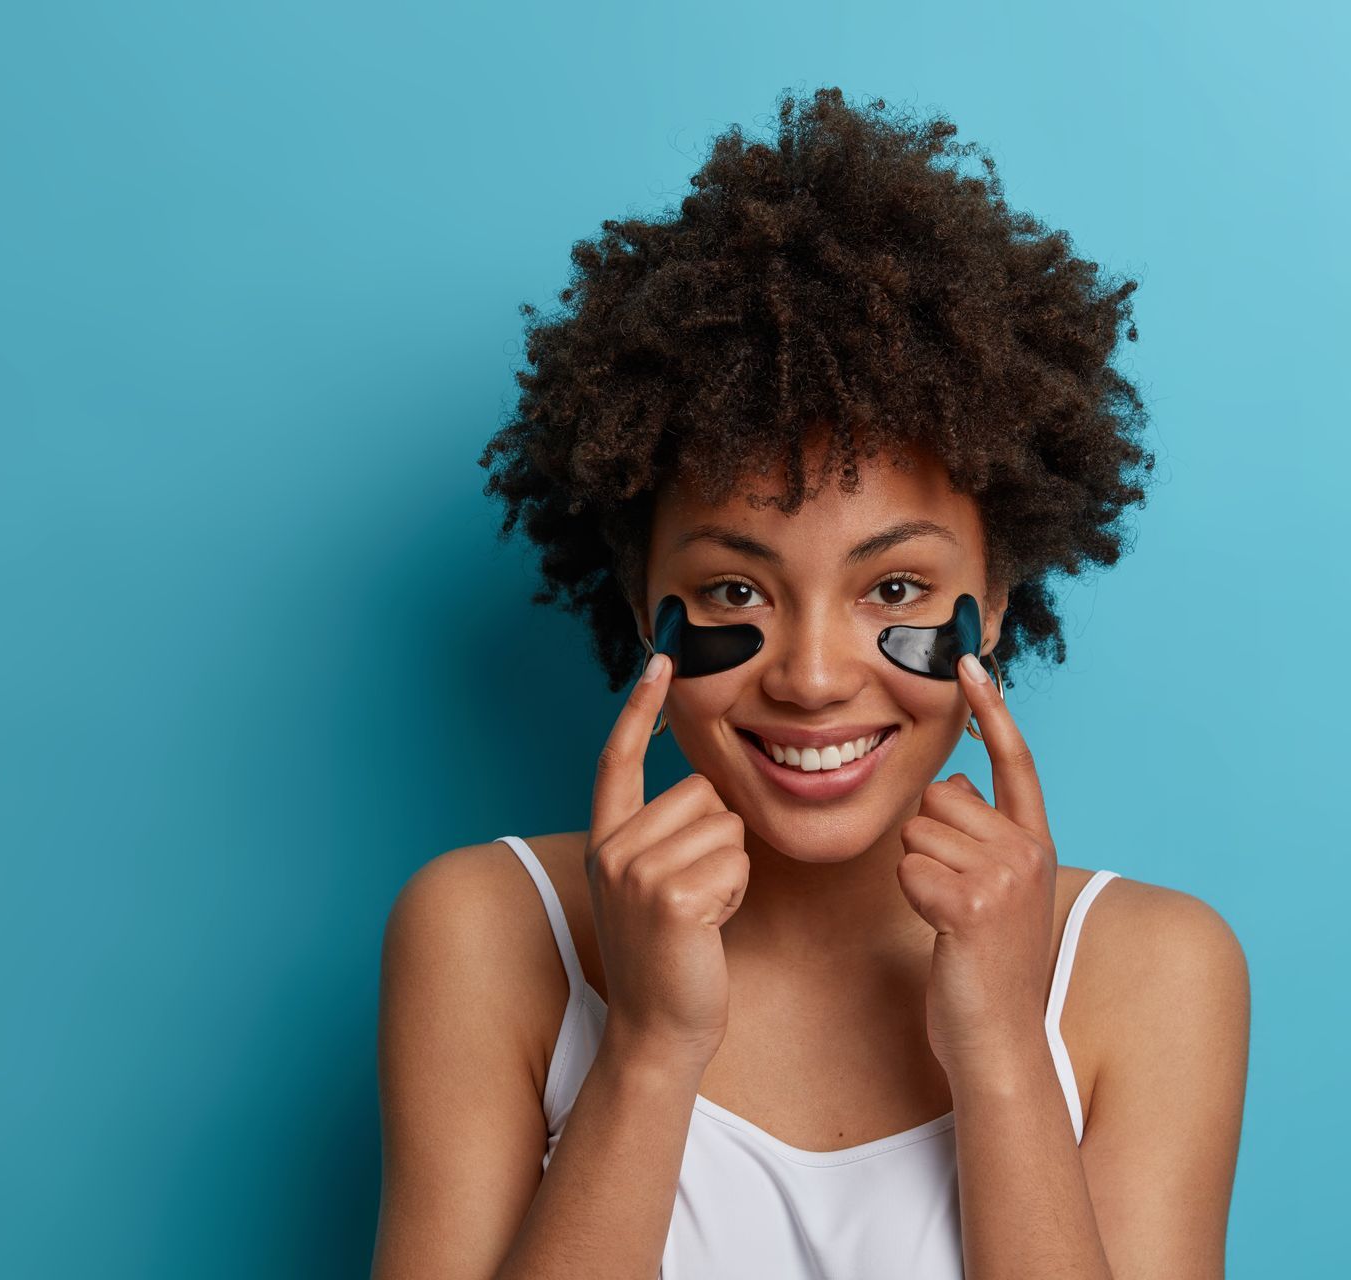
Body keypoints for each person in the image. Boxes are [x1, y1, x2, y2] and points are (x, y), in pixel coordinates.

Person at [371, 86, 1249, 1279]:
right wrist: (648, 1048)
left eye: (894, 590)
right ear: (647, 611)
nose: (816, 677)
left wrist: (998, 1050)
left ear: (992, 603)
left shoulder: (1152, 969)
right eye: (737, 591)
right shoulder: (487, 929)